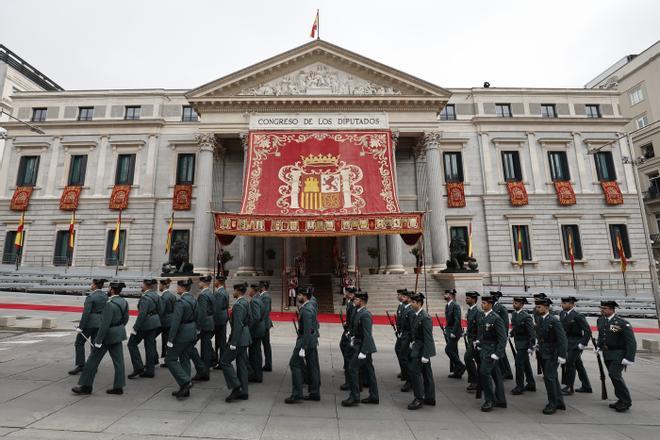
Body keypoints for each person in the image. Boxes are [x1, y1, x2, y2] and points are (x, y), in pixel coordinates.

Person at [72, 281, 129, 395]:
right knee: (119, 362)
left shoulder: (110, 304)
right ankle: (118, 387)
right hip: (118, 334)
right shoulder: (124, 302)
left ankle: (86, 386)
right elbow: (125, 319)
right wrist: (118, 328)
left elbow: (104, 325)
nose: (108, 290)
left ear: (112, 290)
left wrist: (98, 340)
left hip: (107, 337)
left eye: (109, 288)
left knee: (92, 361)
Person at [596, 300, 636, 412]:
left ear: (612, 310)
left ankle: (626, 401)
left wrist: (629, 357)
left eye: (605, 309)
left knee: (614, 374)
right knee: (613, 376)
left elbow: (631, 342)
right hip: (607, 353)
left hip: (619, 353)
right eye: (601, 308)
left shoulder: (622, 323)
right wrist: (599, 346)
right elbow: (601, 335)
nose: (602, 310)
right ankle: (621, 399)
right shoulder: (601, 320)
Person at [342, 290, 379, 407]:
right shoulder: (359, 312)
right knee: (369, 371)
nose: (354, 301)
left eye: (357, 299)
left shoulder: (365, 314)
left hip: (363, 346)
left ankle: (355, 396)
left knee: (352, 368)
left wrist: (363, 351)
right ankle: (374, 396)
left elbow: (367, 335)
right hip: (358, 344)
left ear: (362, 301)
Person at [285, 286, 321, 403]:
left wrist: (303, 347)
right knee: (313, 366)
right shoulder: (310, 306)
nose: (297, 297)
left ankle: (297, 394)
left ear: (305, 296)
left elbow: (306, 330)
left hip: (305, 342)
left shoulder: (306, 310)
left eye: (299, 295)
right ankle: (315, 392)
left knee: (294, 364)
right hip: (311, 341)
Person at [165, 278, 198, 399]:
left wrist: (170, 339)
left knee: (170, 359)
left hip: (182, 334)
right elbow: (198, 316)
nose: (177, 289)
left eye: (178, 287)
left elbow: (175, 322)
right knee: (184, 358)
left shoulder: (181, 302)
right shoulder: (194, 300)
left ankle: (186, 381)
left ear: (182, 288)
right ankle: (184, 389)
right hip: (192, 332)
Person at [535, 297, 568, 414]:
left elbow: (562, 339)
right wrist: (538, 344)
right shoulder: (540, 319)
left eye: (539, 307)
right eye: (537, 306)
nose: (537, 308)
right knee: (551, 377)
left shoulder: (554, 320)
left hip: (553, 354)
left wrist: (562, 355)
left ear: (546, 307)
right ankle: (559, 401)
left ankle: (552, 403)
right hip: (544, 352)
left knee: (549, 378)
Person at [69, 278, 108, 375]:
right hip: (100, 322)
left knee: (79, 343)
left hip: (90, 323)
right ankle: (93, 365)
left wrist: (81, 327)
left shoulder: (91, 297)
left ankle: (81, 365)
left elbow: (86, 313)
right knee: (94, 345)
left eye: (92, 284)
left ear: (95, 285)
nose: (91, 285)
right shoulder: (105, 296)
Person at [221, 283, 252, 402]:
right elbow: (249, 319)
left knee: (224, 361)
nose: (232, 293)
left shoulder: (239, 305)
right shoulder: (245, 302)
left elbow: (238, 325)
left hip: (238, 339)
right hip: (245, 337)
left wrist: (233, 342)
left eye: (233, 290)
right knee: (242, 364)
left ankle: (236, 386)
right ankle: (244, 391)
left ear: (238, 291)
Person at [476, 295, 507, 412]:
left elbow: (502, 338)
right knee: (496, 375)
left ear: (490, 304)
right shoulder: (484, 317)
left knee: (484, 373)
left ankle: (490, 400)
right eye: (482, 303)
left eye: (484, 303)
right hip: (485, 349)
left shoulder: (496, 318)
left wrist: (498, 353)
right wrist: (480, 342)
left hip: (492, 352)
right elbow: (486, 334)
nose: (482, 305)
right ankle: (501, 399)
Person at [406, 292, 436, 410]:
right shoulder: (415, 315)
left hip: (422, 349)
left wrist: (426, 354)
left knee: (415, 372)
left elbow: (428, 337)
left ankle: (419, 398)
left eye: (413, 302)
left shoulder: (425, 317)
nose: (411, 304)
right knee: (426, 373)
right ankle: (430, 397)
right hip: (417, 346)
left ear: (419, 303)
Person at [128, 279, 161, 379]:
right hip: (155, 322)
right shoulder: (156, 295)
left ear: (146, 286)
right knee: (150, 346)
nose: (141, 286)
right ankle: (150, 370)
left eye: (142, 284)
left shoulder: (145, 298)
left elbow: (142, 315)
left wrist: (135, 328)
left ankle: (138, 367)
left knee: (132, 344)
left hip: (145, 324)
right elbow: (160, 309)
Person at [559, 296, 592, 395]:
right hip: (566, 343)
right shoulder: (562, 314)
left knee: (569, 364)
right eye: (562, 303)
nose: (562, 305)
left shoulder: (578, 316)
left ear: (572, 304)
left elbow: (587, 331)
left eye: (565, 303)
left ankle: (570, 387)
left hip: (575, 343)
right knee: (578, 364)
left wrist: (582, 344)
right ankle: (586, 386)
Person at [510, 296, 536, 395]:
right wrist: (511, 333)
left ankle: (519, 386)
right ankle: (531, 383)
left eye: (516, 303)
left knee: (518, 364)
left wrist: (531, 346)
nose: (514, 304)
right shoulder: (514, 314)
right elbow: (515, 327)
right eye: (514, 302)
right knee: (525, 364)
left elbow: (531, 333)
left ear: (522, 304)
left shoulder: (526, 316)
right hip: (518, 342)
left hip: (524, 344)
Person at [192, 275, 215, 381]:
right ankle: (205, 372)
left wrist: (198, 327)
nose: (198, 284)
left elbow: (202, 313)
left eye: (200, 282)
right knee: (206, 349)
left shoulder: (203, 295)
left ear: (204, 283)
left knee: (189, 345)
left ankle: (202, 370)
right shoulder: (210, 293)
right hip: (209, 323)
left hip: (204, 324)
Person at [491, 291, 514, 380]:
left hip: (500, 335)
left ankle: (505, 372)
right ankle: (507, 372)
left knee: (501, 354)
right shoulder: (492, 307)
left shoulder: (501, 308)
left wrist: (504, 335)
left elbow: (505, 323)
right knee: (501, 354)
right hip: (494, 334)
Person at [464, 291, 484, 392]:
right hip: (471, 338)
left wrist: (478, 341)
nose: (466, 299)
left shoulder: (478, 312)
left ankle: (475, 380)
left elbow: (480, 328)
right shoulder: (470, 310)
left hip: (475, 340)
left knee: (467, 358)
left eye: (468, 298)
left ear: (473, 299)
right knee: (477, 360)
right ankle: (479, 381)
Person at [395, 289, 414, 392]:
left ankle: (410, 380)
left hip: (407, 337)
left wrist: (411, 340)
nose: (400, 297)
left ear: (408, 298)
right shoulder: (404, 307)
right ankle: (407, 376)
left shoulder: (410, 309)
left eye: (403, 296)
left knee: (405, 357)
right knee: (403, 356)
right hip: (403, 335)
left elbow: (412, 327)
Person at [444, 289, 466, 378]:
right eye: (445, 293)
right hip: (450, 330)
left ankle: (461, 366)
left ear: (452, 296)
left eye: (447, 293)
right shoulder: (447, 305)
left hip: (455, 332)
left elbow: (457, 320)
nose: (445, 295)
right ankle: (457, 372)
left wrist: (453, 332)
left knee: (448, 350)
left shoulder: (455, 306)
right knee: (454, 351)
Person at [247, 283, 266, 383]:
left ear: (253, 290)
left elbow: (255, 317)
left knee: (254, 353)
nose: (248, 291)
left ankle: (255, 374)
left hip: (255, 330)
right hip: (260, 328)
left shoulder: (254, 301)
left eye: (249, 289)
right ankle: (257, 374)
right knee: (256, 352)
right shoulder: (259, 299)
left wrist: (248, 327)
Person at [339, 286, 357, 391]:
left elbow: (354, 318)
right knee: (343, 346)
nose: (344, 293)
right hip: (348, 329)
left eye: (346, 292)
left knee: (347, 352)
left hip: (350, 331)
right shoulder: (350, 302)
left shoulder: (354, 303)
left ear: (350, 294)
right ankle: (347, 366)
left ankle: (349, 379)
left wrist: (349, 329)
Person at [158, 278, 176, 367]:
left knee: (165, 340)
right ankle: (168, 357)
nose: (159, 286)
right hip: (171, 320)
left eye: (160, 285)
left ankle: (166, 358)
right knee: (168, 340)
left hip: (165, 321)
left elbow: (161, 311)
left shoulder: (164, 297)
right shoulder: (172, 296)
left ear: (163, 285)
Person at [212, 275, 229, 369]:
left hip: (218, 320)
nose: (214, 282)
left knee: (219, 341)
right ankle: (221, 361)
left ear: (218, 282)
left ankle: (216, 359)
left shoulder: (218, 293)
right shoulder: (225, 292)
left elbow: (216, 309)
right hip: (224, 318)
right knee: (221, 341)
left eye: (215, 281)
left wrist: (213, 321)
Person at [259, 280, 274, 372]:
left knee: (266, 344)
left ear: (263, 287)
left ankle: (268, 364)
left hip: (264, 324)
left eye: (260, 286)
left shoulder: (265, 297)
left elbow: (265, 311)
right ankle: (268, 364)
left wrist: (260, 322)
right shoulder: (264, 296)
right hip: (264, 323)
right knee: (266, 344)